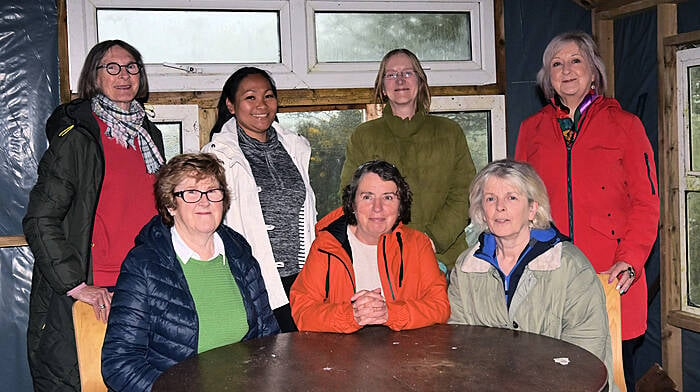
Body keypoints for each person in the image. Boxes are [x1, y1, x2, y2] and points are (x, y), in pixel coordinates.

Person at [514, 31, 659, 390]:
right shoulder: (530, 130)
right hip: (550, 278)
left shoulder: (626, 125)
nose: (566, 70)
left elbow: (646, 202)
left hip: (611, 277)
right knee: (549, 376)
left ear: (594, 71)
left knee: (608, 379)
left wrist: (630, 260)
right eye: (556, 64)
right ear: (547, 78)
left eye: (575, 60)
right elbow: (517, 202)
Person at [22, 40, 165, 391]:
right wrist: (76, 284)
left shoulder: (149, 136)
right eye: (111, 67)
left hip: (144, 285)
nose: (124, 75)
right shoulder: (78, 138)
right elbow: (40, 219)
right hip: (97, 288)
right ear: (94, 77)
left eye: (132, 67)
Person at [101, 153, 279, 391]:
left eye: (212, 192)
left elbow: (268, 338)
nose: (204, 202)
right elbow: (120, 363)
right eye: (191, 193)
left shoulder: (240, 255)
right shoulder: (144, 265)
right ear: (170, 205)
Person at [448, 159, 618, 391]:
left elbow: (585, 356)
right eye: (490, 199)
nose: (500, 207)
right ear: (481, 210)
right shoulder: (467, 267)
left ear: (532, 209)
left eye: (511, 197)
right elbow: (459, 343)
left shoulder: (570, 267)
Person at [202, 67, 316, 332]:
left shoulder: (296, 147)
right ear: (231, 105)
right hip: (253, 283)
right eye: (250, 97)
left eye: (268, 96)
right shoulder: (217, 157)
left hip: (303, 281)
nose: (261, 105)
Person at [339, 48, 476, 270]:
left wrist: (430, 240)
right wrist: (393, 244)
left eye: (407, 73)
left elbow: (465, 194)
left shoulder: (450, 132)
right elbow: (351, 195)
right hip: (383, 259)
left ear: (420, 82)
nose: (400, 79)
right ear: (382, 87)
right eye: (391, 74)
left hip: (445, 258)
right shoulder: (363, 136)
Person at [291, 160, 450, 333]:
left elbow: (439, 306)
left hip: (405, 353)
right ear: (352, 204)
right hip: (340, 354)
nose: (377, 208)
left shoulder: (418, 245)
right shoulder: (326, 246)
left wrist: (390, 313)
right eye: (367, 197)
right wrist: (351, 315)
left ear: (401, 206)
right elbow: (303, 312)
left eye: (388, 197)